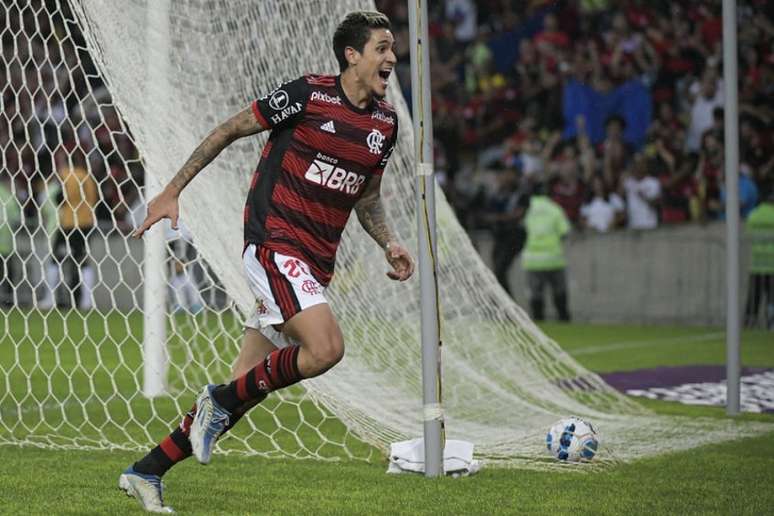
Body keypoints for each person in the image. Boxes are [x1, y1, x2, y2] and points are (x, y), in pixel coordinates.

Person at [119, 11, 413, 513]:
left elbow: (367, 197)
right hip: (274, 244)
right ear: (352, 55)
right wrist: (171, 191)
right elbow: (229, 130)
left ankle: (146, 470)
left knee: (245, 388)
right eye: (382, 48)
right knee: (325, 349)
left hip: (316, 262)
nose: (391, 57)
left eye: (391, 48)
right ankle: (218, 399)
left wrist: (388, 242)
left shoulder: (383, 125)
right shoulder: (308, 94)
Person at [37, 146, 98, 310]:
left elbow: (59, 198)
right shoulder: (87, 176)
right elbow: (94, 199)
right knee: (83, 260)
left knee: (55, 260)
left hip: (69, 223)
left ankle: (50, 299)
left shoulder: (65, 175)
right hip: (87, 223)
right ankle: (87, 301)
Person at [521, 181, 571, 322]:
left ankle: (539, 322)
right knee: (559, 292)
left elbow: (524, 229)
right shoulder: (555, 209)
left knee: (536, 294)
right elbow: (565, 231)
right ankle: (564, 320)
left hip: (533, 260)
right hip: (554, 258)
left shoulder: (528, 210)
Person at [744, 191, 774, 329]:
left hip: (757, 263)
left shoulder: (753, 215)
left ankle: (750, 322)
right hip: (772, 264)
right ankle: (771, 323)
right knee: (772, 298)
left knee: (754, 298)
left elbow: (748, 232)